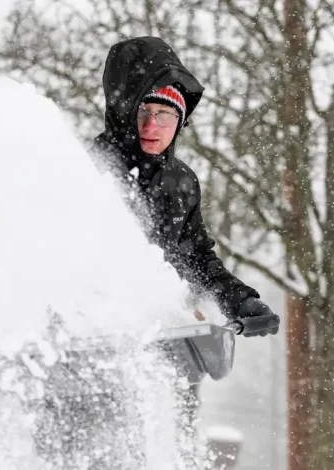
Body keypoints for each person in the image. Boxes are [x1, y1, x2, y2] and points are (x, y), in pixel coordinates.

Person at [90, 36, 279, 337]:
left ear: (180, 120)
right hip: (94, 335)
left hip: (164, 338)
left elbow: (196, 257)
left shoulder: (180, 183)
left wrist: (239, 301)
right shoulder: (87, 171)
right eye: (142, 112)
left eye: (164, 114)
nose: (152, 126)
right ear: (122, 112)